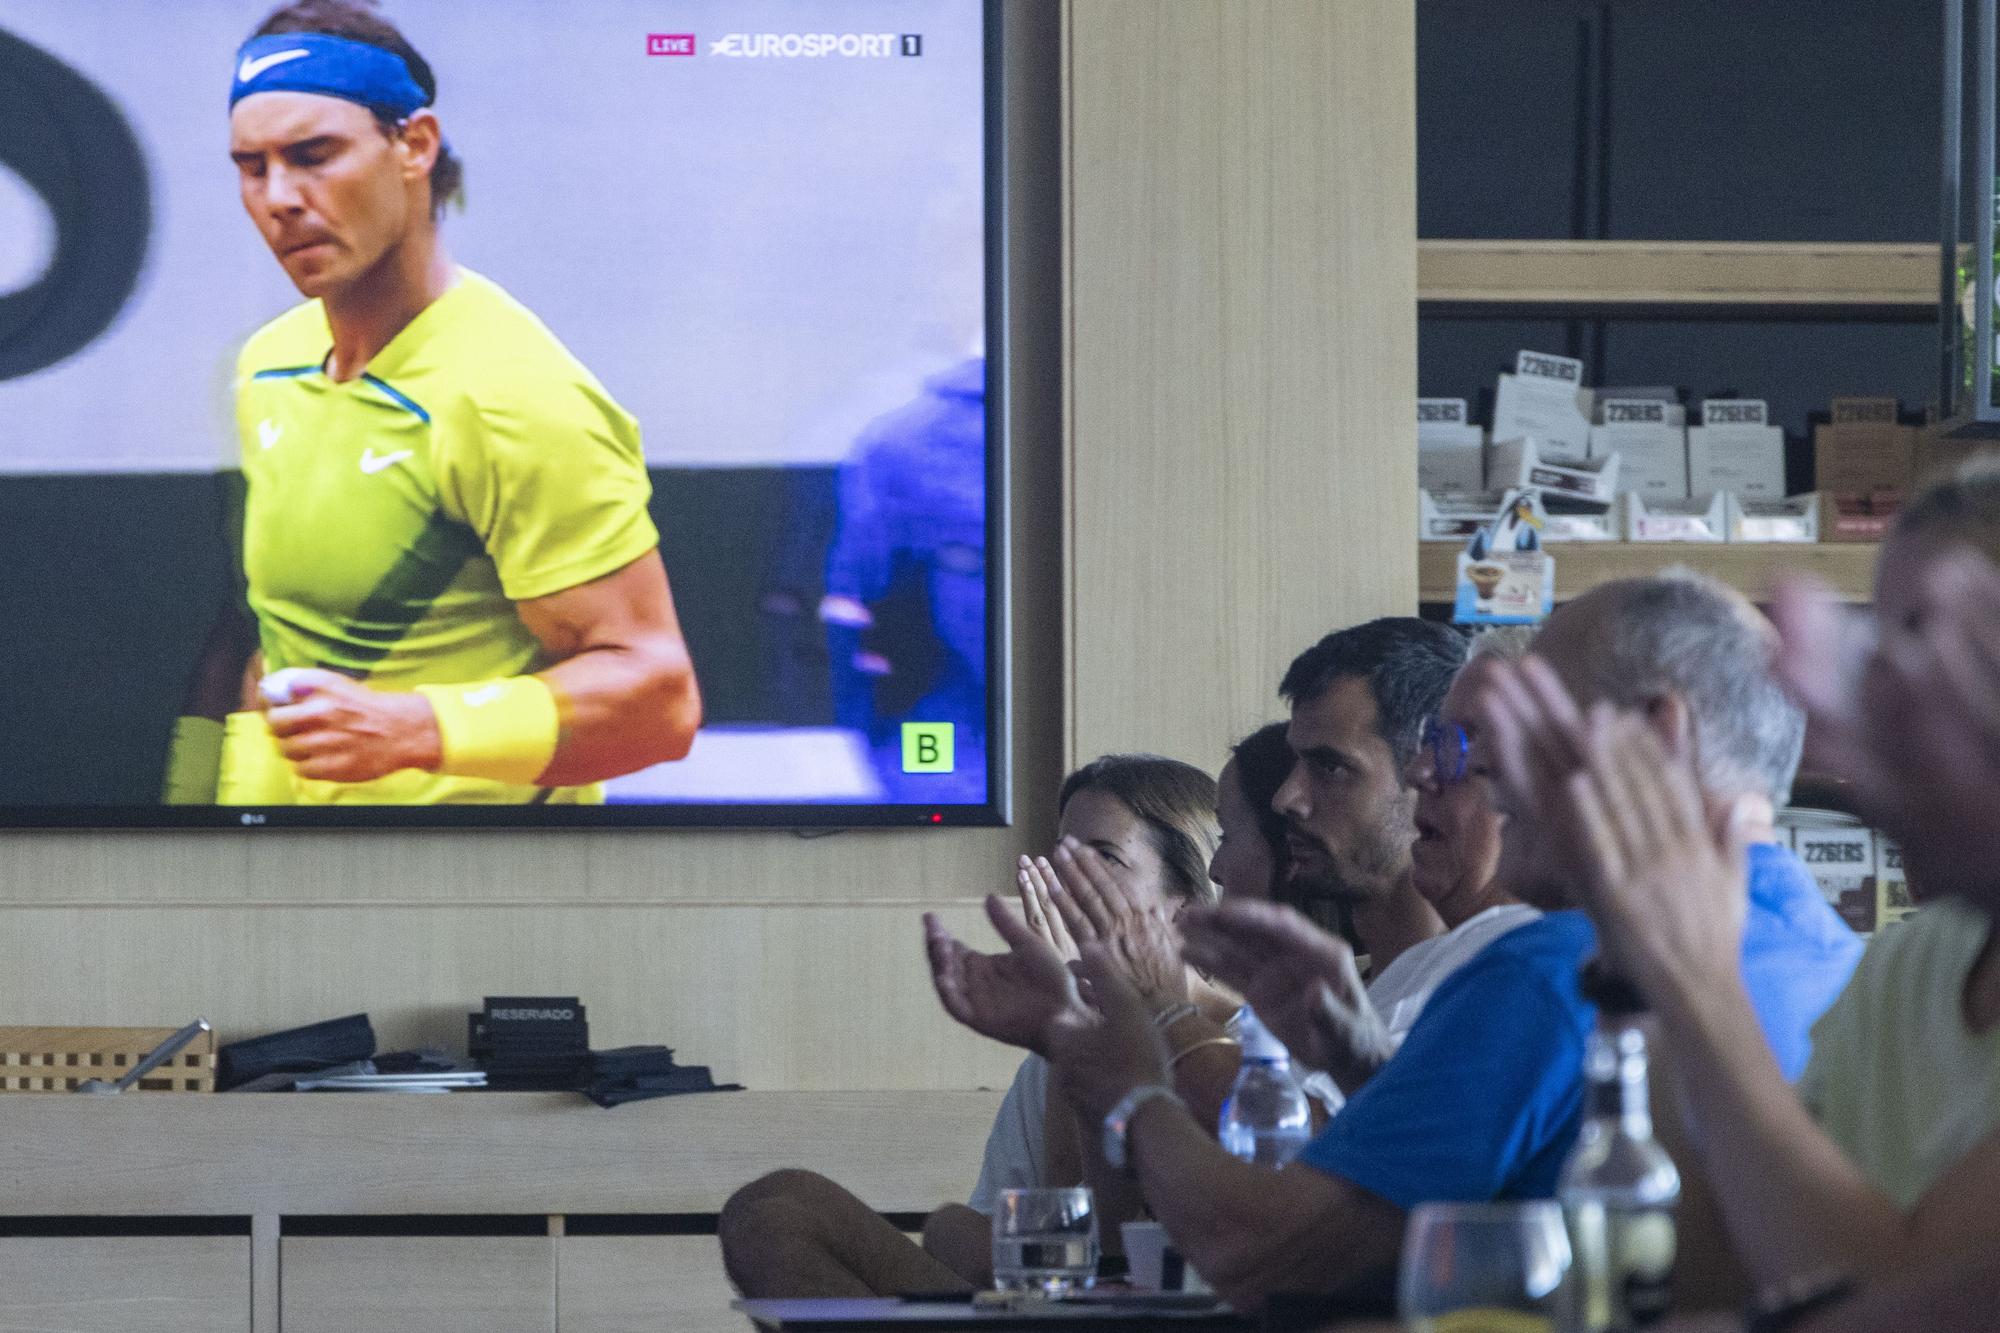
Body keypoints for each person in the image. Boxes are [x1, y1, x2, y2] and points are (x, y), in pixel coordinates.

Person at [927, 578, 1860, 1309]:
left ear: (1655, 732)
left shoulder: (1556, 970)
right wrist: (1356, 1056)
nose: (1441, 775)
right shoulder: (1836, 950)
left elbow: (1260, 1251)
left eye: (1501, 732)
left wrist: (1128, 1073)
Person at [1473, 470, 2000, 1305]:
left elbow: (1890, 1306)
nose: (1877, 698)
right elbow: (1721, 1280)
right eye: (1879, 649)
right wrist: (1640, 966)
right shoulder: (1914, 963)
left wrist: (1695, 978)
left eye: (1921, 643)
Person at [170, 0, 700, 805]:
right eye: (253, 166)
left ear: (414, 145)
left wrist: (416, 728)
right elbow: (287, 642)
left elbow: (659, 699)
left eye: (314, 155)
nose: (279, 196)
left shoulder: (514, 397)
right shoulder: (267, 364)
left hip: (479, 894)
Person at [721, 754, 1231, 1298]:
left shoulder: (1238, 1046)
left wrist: (1076, 1034)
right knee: (779, 1212)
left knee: (951, 1232)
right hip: (1047, 1304)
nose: (1065, 886)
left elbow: (1117, 1253)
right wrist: (1066, 1036)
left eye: (1103, 859)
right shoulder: (1045, 1060)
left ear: (1185, 900)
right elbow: (1038, 1249)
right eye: (1062, 860)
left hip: (1154, 1302)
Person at [1186, 628, 1541, 1098]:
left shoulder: (1518, 967)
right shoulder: (1409, 968)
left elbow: (1302, 1155)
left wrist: (1165, 1013)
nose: (1286, 798)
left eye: (1330, 767)